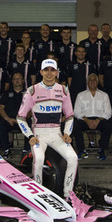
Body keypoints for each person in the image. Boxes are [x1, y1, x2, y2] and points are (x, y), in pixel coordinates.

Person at [16, 59, 78, 197]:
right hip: (39, 135)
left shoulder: (63, 90)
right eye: (46, 70)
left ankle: (68, 196)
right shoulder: (32, 91)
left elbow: (70, 116)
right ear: (41, 72)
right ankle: (38, 197)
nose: (49, 73)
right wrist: (30, 136)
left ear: (56, 72)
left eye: (52, 70)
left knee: (73, 158)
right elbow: (20, 117)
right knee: (38, 159)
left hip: (57, 134)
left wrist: (67, 133)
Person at [72, 73, 112, 160]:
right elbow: (76, 111)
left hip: (100, 119)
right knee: (75, 125)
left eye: (94, 80)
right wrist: (87, 120)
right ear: (87, 82)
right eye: (90, 80)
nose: (92, 82)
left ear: (97, 82)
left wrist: (97, 120)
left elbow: (108, 112)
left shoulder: (104, 95)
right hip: (85, 119)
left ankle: (102, 150)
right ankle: (81, 151)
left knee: (108, 126)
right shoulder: (81, 95)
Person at [0, 72, 27, 157]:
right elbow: (0, 108)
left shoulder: (28, 93)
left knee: (32, 125)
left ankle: (26, 151)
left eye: (19, 78)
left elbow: (31, 109)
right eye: (15, 79)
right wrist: (8, 119)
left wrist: (21, 119)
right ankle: (6, 150)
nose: (17, 81)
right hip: (9, 121)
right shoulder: (6, 93)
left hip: (23, 121)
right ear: (12, 81)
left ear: (23, 81)